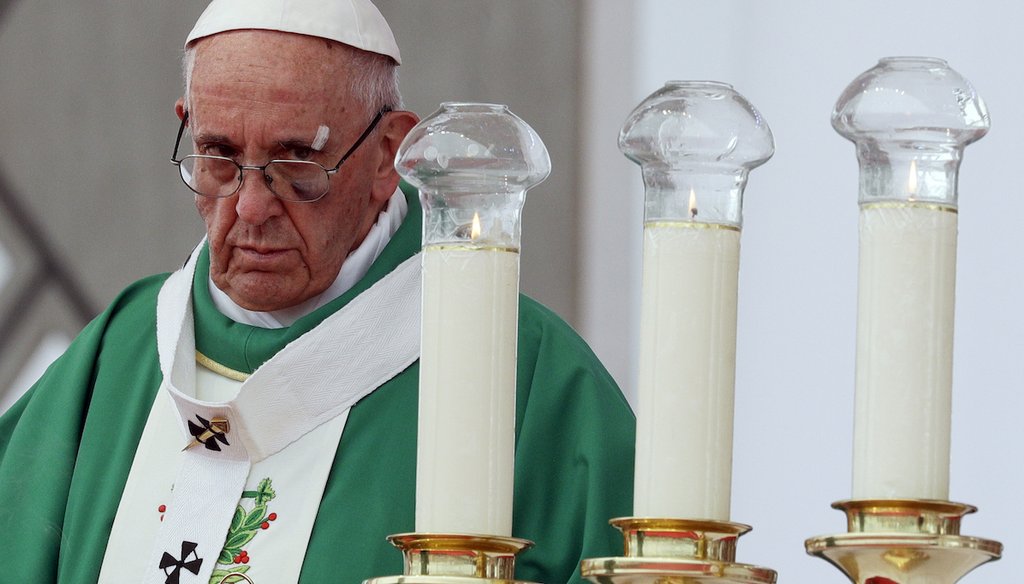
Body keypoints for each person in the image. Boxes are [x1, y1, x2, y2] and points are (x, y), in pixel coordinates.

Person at [0, 1, 635, 582]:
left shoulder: (526, 377)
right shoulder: (120, 352)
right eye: (218, 156)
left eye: (299, 163)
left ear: (388, 154)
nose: (250, 207)